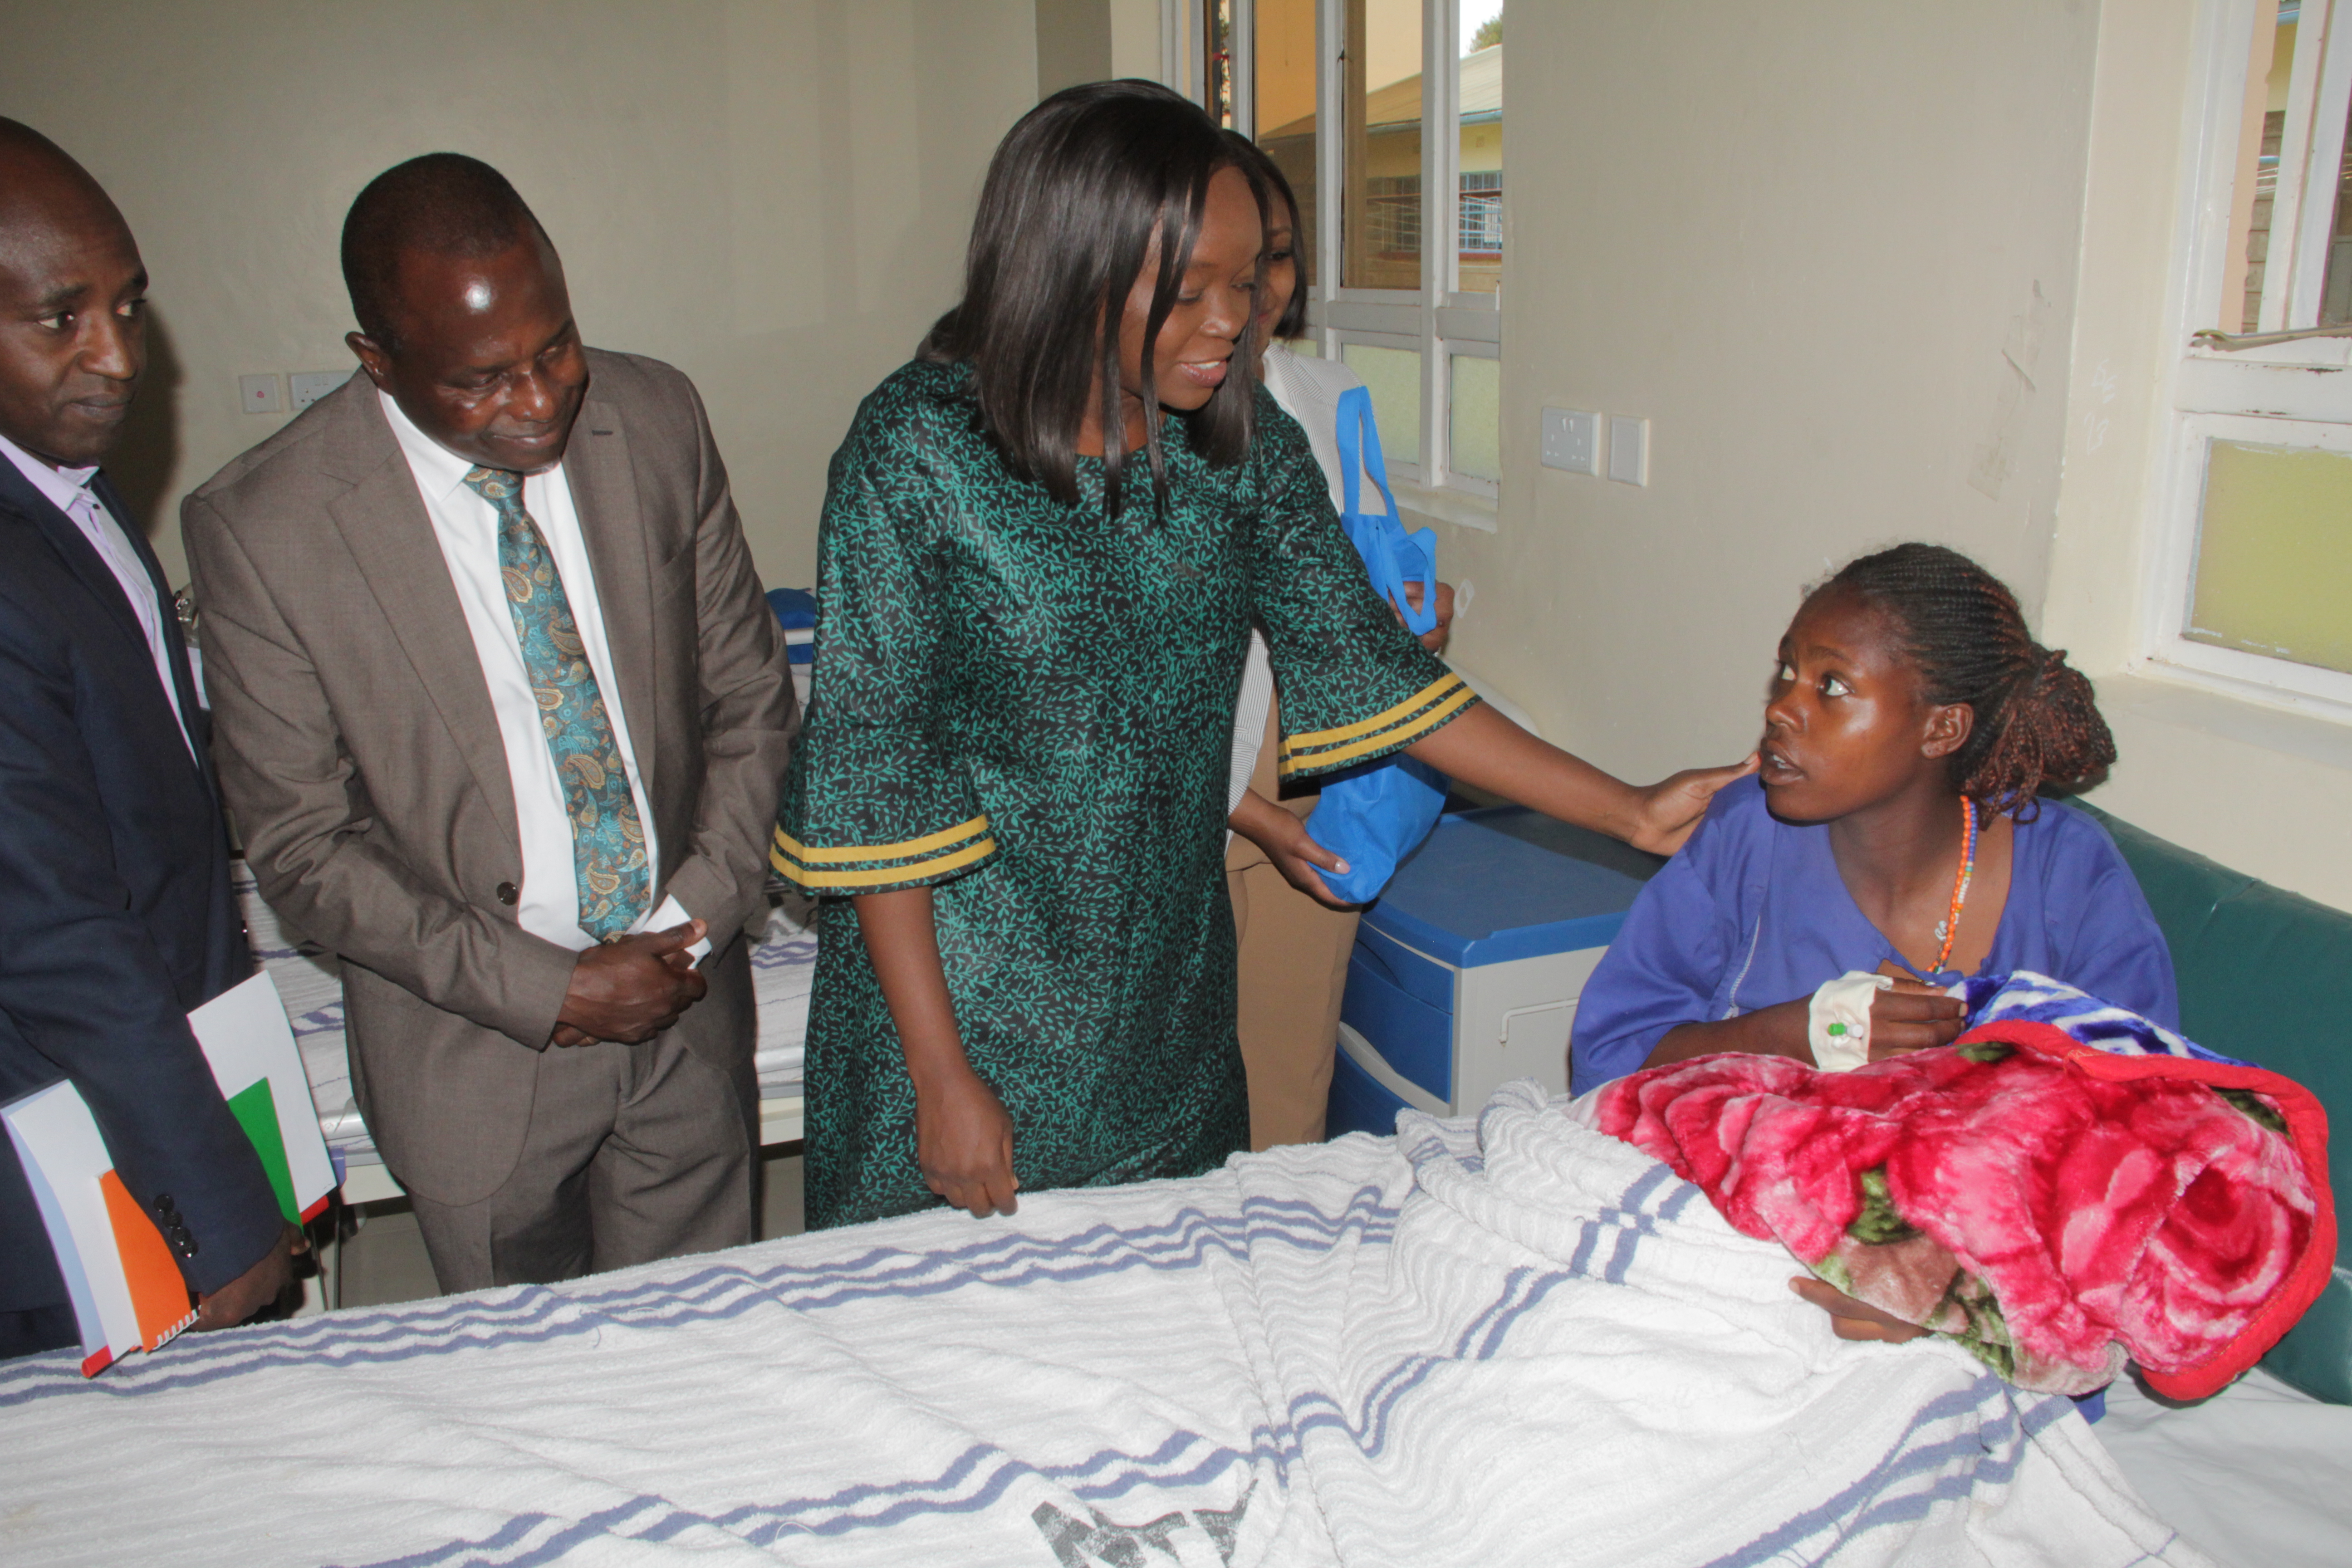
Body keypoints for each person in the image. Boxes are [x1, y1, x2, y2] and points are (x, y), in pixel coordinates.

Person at [774, 82, 1752, 1231]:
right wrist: (940, 1082)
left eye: (1244, 285)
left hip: (1165, 1022)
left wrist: (1629, 811)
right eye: (1188, 293)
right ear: (1068, 268)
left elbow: (1384, 675)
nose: (1232, 322)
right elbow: (883, 786)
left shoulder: (1239, 452)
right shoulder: (919, 453)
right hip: (963, 1021)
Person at [183, 154, 796, 1293]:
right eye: (482, 380)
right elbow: (304, 847)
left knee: (707, 1366)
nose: (541, 398)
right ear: (378, 361)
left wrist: (695, 918)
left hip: (686, 1006)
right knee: (527, 1398)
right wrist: (549, 989)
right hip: (475, 1054)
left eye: (555, 345)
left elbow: (751, 699)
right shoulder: (266, 527)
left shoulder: (655, 417)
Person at [0, 118, 296, 1357]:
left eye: (129, 305)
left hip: (168, 1050)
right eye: (59, 318)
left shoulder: (67, 490)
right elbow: (52, 934)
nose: (117, 355)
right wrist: (216, 1210)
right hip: (67, 1150)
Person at [1570, 541, 2177, 1097]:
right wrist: (1791, 1037)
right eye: (1789, 671)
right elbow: (1610, 1057)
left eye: (1831, 685)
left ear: (1942, 728)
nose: (1782, 708)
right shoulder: (1746, 836)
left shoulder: (2069, 871)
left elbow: (2148, 1101)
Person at [1218, 133, 1451, 1150]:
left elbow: (1357, 566)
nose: (1259, 285)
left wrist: (1415, 613)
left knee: (1287, 1045)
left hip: (1320, 737)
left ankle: (1276, 1245)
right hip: (1193, 748)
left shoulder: (1326, 397)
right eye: (1228, 262)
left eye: (1275, 256)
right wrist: (1245, 810)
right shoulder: (1134, 416)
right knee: (1175, 1051)